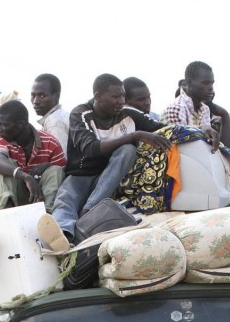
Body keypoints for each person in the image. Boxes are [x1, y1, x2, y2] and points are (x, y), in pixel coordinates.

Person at [53, 73, 169, 236]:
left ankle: (89, 210)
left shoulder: (129, 113)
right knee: (66, 200)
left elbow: (165, 129)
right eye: (115, 96)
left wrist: (205, 128)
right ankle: (62, 235)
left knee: (127, 150)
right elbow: (91, 149)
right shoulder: (81, 114)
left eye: (123, 96)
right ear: (98, 96)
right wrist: (134, 136)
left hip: (110, 178)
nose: (121, 100)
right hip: (82, 175)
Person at [0, 100, 67, 212]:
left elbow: (63, 173)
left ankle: (47, 217)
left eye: (4, 125)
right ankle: (8, 212)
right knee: (2, 167)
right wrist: (26, 177)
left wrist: (47, 166)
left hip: (39, 197)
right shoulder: (0, 138)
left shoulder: (50, 142)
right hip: (15, 195)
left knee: (55, 170)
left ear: (20, 124)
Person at [161, 61, 219, 146]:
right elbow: (182, 145)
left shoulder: (205, 109)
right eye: (205, 83)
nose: (211, 88)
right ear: (189, 82)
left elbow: (208, 142)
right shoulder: (177, 107)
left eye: (212, 83)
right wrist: (203, 129)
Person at [30, 73, 68, 150]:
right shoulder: (60, 115)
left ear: (57, 96)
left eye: (42, 96)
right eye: (33, 95)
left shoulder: (54, 123)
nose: (35, 101)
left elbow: (61, 159)